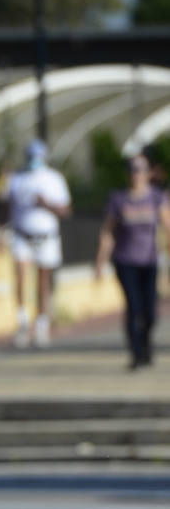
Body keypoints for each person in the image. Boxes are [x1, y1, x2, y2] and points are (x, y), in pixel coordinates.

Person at [95, 152, 170, 369]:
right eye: (132, 169)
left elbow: (167, 227)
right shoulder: (118, 199)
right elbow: (107, 232)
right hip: (125, 260)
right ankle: (136, 353)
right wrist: (100, 262)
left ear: (148, 173)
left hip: (149, 260)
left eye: (140, 169)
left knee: (150, 312)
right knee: (133, 306)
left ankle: (146, 345)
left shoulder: (156, 197)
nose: (136, 173)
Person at [0, 139, 72, 350]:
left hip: (46, 237)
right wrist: (0, 233)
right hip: (22, 235)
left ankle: (41, 324)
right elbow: (4, 207)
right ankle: (22, 323)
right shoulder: (15, 178)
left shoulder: (54, 178)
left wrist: (47, 204)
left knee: (42, 282)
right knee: (20, 277)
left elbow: (66, 210)